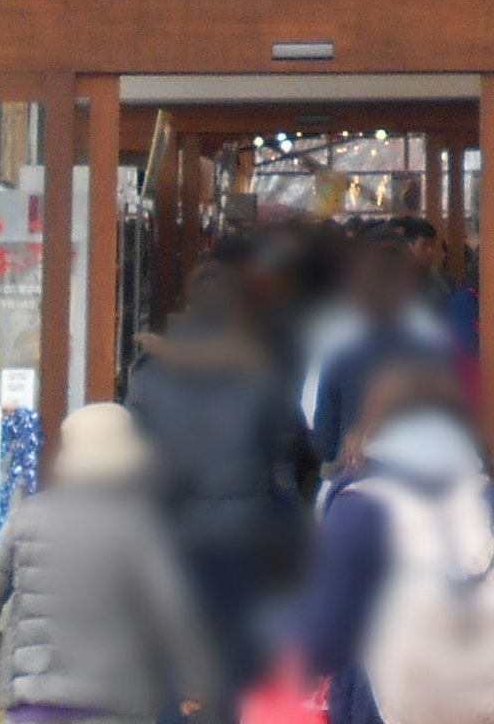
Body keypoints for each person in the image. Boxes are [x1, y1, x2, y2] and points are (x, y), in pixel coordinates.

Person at [291, 361, 494, 724]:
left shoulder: (358, 510)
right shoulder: (491, 502)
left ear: (375, 424)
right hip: (486, 711)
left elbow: (322, 648)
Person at [0, 401, 217, 724]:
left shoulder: (27, 516)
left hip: (33, 697)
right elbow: (173, 608)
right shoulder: (138, 524)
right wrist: (194, 683)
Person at [129, 260, 312, 690]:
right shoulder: (260, 367)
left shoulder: (150, 372)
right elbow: (295, 446)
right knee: (243, 659)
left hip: (172, 529)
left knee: (174, 658)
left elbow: (134, 453)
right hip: (246, 528)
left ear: (189, 306)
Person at [304, 237, 450, 482]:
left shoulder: (339, 348)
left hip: (357, 480)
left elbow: (323, 441)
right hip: (422, 482)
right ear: (410, 284)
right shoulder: (433, 343)